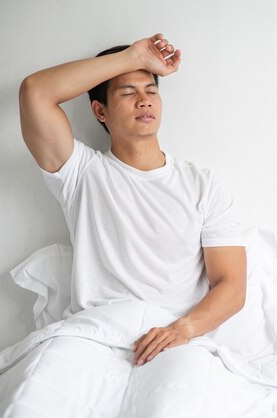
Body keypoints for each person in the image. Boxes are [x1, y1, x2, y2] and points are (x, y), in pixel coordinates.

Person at [19, 33, 246, 367]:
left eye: (151, 91)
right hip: (91, 336)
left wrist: (182, 330)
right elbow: (34, 91)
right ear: (100, 111)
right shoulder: (81, 172)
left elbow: (231, 285)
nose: (144, 101)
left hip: (176, 340)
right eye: (128, 93)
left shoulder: (203, 184)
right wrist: (135, 57)